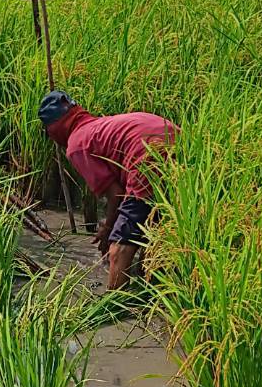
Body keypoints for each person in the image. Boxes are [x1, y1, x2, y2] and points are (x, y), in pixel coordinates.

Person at [38, 91, 177, 289]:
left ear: (54, 127)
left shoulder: (77, 143)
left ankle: (113, 303)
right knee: (153, 226)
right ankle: (151, 285)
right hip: (177, 141)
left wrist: (108, 229)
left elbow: (116, 194)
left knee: (119, 247)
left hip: (148, 155)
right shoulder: (98, 127)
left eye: (47, 132)